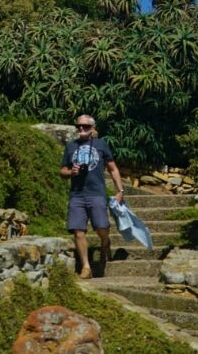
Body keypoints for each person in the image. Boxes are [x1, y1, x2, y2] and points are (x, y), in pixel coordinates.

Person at [59, 115, 126, 279]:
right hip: (77, 194)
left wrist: (120, 190)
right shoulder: (71, 146)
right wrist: (71, 172)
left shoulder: (101, 145)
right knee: (78, 231)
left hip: (97, 193)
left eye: (85, 126)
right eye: (78, 126)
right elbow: (62, 171)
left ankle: (105, 242)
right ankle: (86, 267)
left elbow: (113, 168)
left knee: (102, 227)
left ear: (93, 129)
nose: (81, 129)